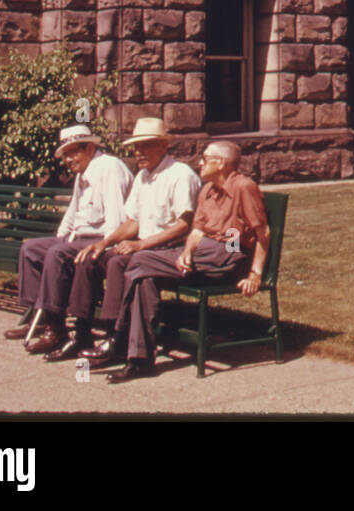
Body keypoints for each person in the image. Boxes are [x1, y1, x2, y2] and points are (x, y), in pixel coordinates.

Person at [104, 141, 270, 383]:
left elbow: (263, 232)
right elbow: (196, 232)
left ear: (220, 163)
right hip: (205, 252)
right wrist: (187, 253)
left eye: (204, 158)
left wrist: (255, 274)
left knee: (139, 259)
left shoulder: (243, 187)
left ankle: (118, 336)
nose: (199, 163)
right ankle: (139, 360)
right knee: (144, 277)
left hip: (230, 250)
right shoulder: (207, 190)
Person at [71, 117, 200, 366]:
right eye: (135, 147)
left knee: (119, 263)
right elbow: (132, 222)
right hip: (146, 247)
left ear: (163, 146)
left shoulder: (180, 175)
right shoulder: (142, 177)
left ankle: (114, 337)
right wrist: (103, 243)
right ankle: (82, 332)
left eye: (145, 146)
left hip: (169, 250)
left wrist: (141, 245)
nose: (138, 152)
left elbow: (184, 226)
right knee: (91, 258)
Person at [2, 125, 131, 354]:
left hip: (100, 239)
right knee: (31, 249)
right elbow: (73, 213)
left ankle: (57, 329)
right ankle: (41, 320)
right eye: (65, 155)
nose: (68, 160)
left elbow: (117, 218)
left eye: (73, 152)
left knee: (56, 254)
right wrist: (60, 237)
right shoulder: (83, 173)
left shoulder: (109, 168)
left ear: (90, 147)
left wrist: (105, 246)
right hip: (77, 238)